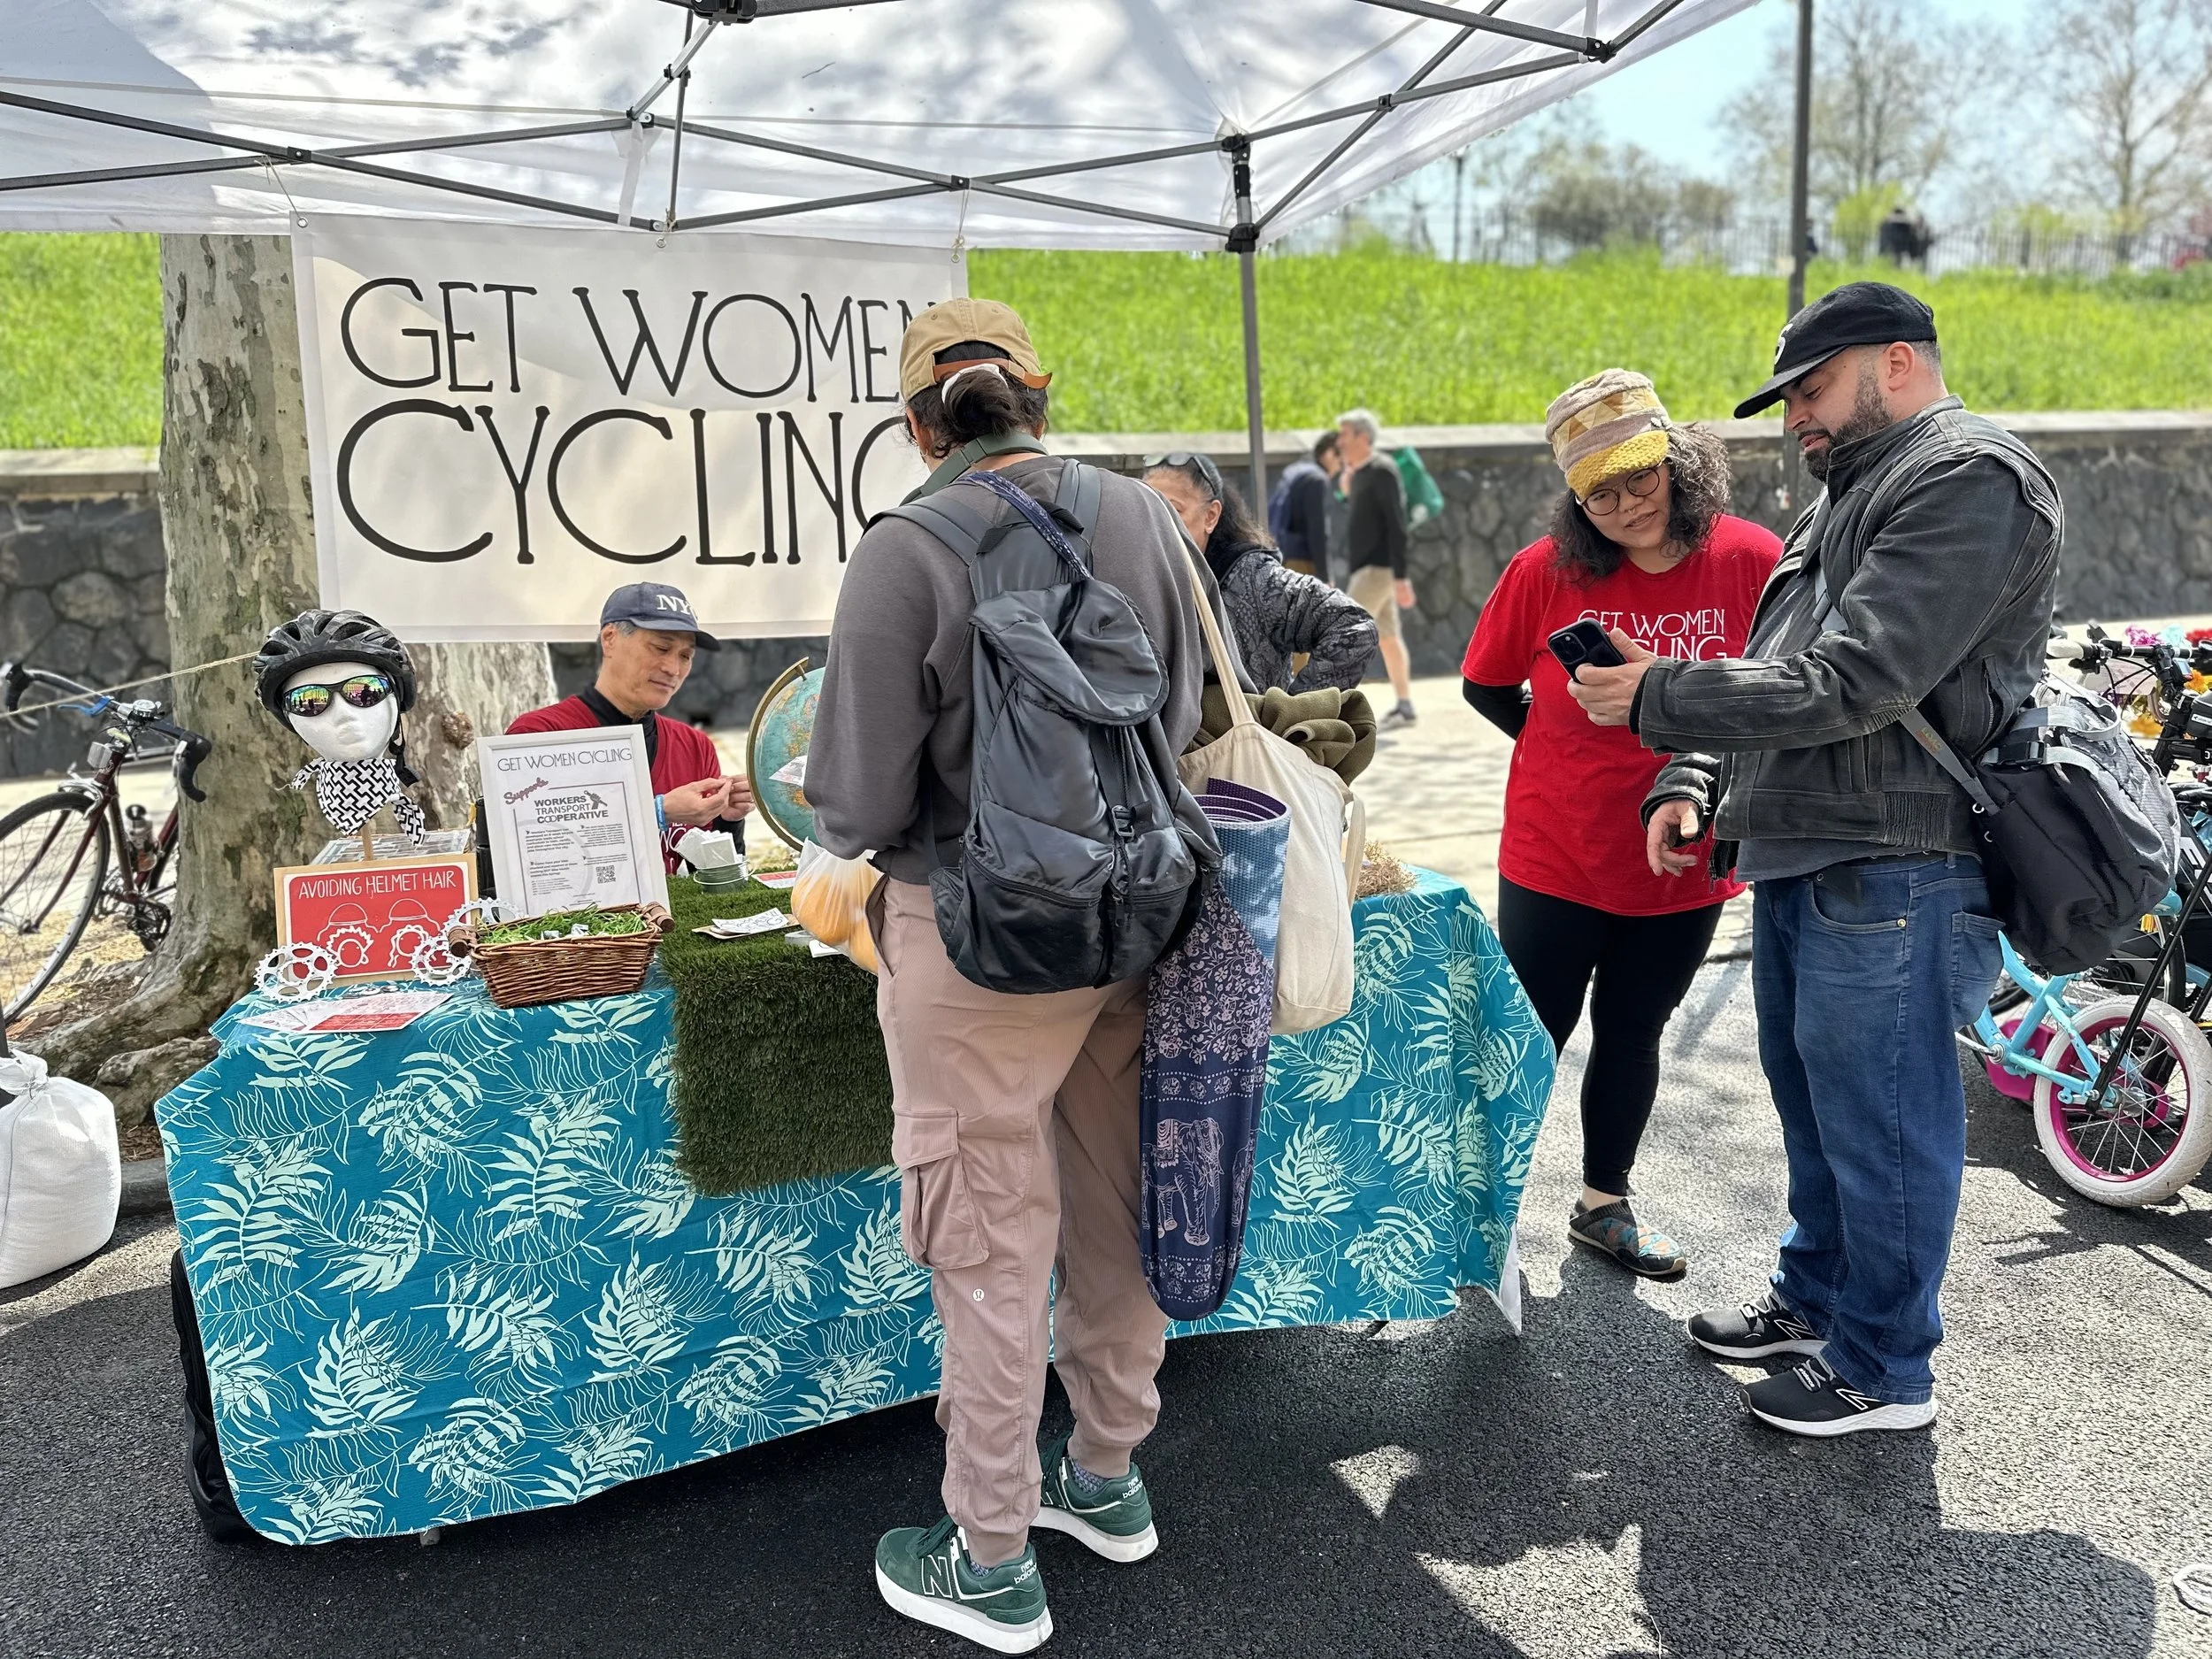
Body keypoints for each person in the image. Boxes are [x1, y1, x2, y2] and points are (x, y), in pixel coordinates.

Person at [1566, 282, 2061, 1437]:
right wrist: (1691, 772)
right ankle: (1820, 1302)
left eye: (1812, 387)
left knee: (1883, 1122)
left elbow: (1862, 679)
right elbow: (1772, 657)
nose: (1796, 416)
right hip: (1808, 855)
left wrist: (1657, 693)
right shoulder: (1849, 493)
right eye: (1789, 397)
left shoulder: (1967, 476)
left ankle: (1886, 1369)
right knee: (1819, 1111)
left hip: (1899, 861)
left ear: (1896, 361)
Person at [807, 297, 1225, 1653]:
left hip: (975, 937)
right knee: (1115, 1200)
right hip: (1138, 912)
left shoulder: (903, 548)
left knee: (987, 1239)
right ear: (1038, 392)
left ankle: (988, 1551)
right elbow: (1181, 718)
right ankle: (1102, 1473)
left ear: (918, 418)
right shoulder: (1147, 516)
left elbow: (856, 804)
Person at [1462, 372, 1781, 1280]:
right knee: (1527, 1038)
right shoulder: (1543, 571)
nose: (1624, 505)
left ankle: (1603, 1204)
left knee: (1633, 1031)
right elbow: (1484, 685)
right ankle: (1479, 1222)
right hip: (1554, 852)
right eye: (1597, 492)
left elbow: (1779, 697)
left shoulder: (1753, 559)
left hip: (1684, 860)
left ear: (1678, 465)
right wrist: (1555, 749)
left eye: (1638, 479)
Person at [506, 581, 752, 869]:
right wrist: (658, 812)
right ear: (609, 638)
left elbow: (711, 882)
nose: (673, 669)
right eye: (661, 647)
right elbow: (532, 858)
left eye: (685, 656)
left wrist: (727, 820)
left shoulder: (695, 746)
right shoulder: (539, 735)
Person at [1144, 451, 1376, 695]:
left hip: (1246, 730)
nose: (1157, 525)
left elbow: (1353, 626)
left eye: (1173, 511)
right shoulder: (1135, 577)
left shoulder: (1255, 580)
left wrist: (1293, 713)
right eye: (1148, 512)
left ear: (1210, 516)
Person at [1337, 408, 1417, 729]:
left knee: (1343, 632)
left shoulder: (1383, 471)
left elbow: (1397, 525)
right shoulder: (1361, 473)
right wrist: (1347, 486)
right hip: (1368, 568)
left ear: (1363, 437)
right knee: (1388, 638)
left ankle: (1331, 707)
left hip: (1377, 570)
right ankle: (1405, 706)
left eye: (1345, 435)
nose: (1339, 442)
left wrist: (1401, 577)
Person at [1268, 431, 1340, 578]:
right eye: (1342, 460)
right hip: (1303, 564)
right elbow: (1317, 531)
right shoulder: (1317, 480)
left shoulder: (1296, 471)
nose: (1342, 467)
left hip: (1285, 556)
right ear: (1330, 454)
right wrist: (1325, 576)